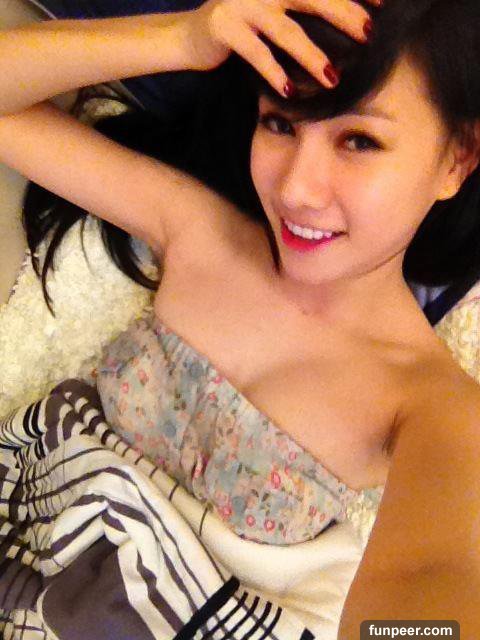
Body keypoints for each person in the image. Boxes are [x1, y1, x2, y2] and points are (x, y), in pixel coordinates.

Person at [0, 0, 480, 634]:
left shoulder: (432, 407)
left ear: (456, 160)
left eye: (359, 140)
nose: (296, 189)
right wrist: (184, 36)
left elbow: (433, 590)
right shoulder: (199, 229)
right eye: (279, 123)